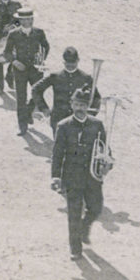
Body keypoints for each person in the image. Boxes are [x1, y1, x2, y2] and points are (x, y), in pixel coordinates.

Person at [51, 87, 105, 260]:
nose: (80, 108)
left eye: (83, 104)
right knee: (74, 212)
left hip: (92, 177)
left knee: (96, 208)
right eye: (77, 104)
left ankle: (83, 228)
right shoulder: (63, 125)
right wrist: (55, 176)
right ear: (71, 104)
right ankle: (75, 249)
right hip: (72, 176)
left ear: (88, 105)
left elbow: (105, 148)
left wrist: (106, 161)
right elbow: (57, 153)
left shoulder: (97, 125)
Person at [32, 47, 100, 135]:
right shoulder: (55, 76)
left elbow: (97, 98)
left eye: (73, 63)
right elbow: (36, 90)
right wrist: (44, 108)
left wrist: (89, 115)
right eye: (68, 64)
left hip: (78, 120)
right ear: (63, 62)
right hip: (58, 120)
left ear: (78, 60)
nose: (70, 66)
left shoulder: (86, 78)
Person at [4, 8, 49, 135]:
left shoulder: (39, 33)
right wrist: (14, 62)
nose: (28, 22)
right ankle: (22, 126)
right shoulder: (13, 34)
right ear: (20, 20)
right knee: (21, 98)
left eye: (30, 19)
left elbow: (46, 46)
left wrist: (42, 59)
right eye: (25, 19)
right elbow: (6, 52)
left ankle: (29, 111)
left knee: (38, 92)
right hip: (20, 70)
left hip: (35, 69)